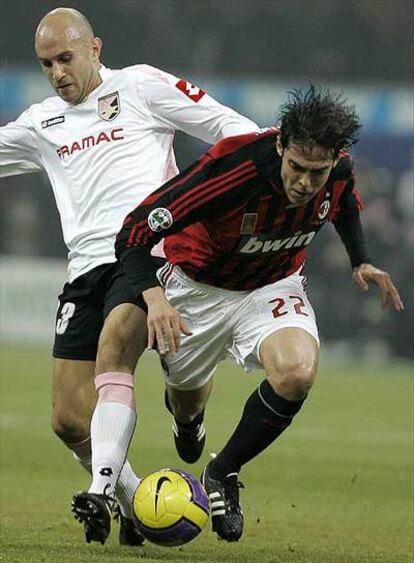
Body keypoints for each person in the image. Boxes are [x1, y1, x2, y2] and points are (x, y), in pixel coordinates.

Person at [0, 7, 259, 546]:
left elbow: (228, 127)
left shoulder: (140, 86)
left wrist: (248, 180)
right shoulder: (41, 123)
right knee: (69, 421)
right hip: (84, 273)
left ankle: (183, 422)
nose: (57, 73)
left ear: (95, 48)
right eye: (46, 64)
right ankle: (136, 501)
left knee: (174, 388)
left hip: (152, 257)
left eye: (66, 58)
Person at [114, 85, 404, 542]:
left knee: (297, 373)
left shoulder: (339, 171)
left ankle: (223, 473)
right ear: (280, 145)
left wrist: (360, 258)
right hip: (197, 290)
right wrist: (154, 297)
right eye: (298, 168)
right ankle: (187, 419)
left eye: (318, 172)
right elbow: (134, 230)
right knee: (187, 399)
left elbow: (344, 204)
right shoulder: (232, 168)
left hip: (271, 284)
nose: (306, 183)